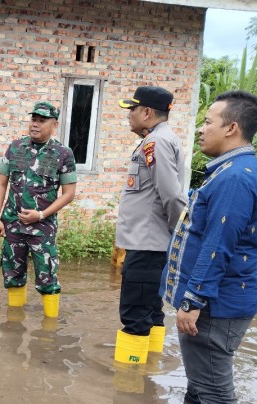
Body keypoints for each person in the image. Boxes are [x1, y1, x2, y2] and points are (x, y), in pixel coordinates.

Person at [162, 90, 257, 404]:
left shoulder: (236, 177)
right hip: (218, 299)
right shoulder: (231, 170)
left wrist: (193, 301)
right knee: (203, 377)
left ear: (231, 128)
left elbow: (218, 245)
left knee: (215, 386)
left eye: (208, 122)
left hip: (216, 303)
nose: (200, 129)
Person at [115, 86, 187, 364]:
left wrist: (176, 234)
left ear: (146, 112)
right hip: (150, 245)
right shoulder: (160, 139)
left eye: (131, 110)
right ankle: (150, 377)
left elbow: (172, 197)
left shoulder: (155, 143)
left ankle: (128, 386)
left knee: (135, 316)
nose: (128, 116)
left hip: (147, 246)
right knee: (151, 312)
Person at [0, 101, 76, 317]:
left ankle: (49, 332)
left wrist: (41, 214)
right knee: (12, 274)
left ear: (54, 124)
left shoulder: (63, 154)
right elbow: (1, 184)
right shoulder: (15, 147)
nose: (35, 124)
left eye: (42, 121)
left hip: (43, 228)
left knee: (47, 277)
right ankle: (14, 325)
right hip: (13, 223)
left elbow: (69, 194)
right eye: (33, 119)